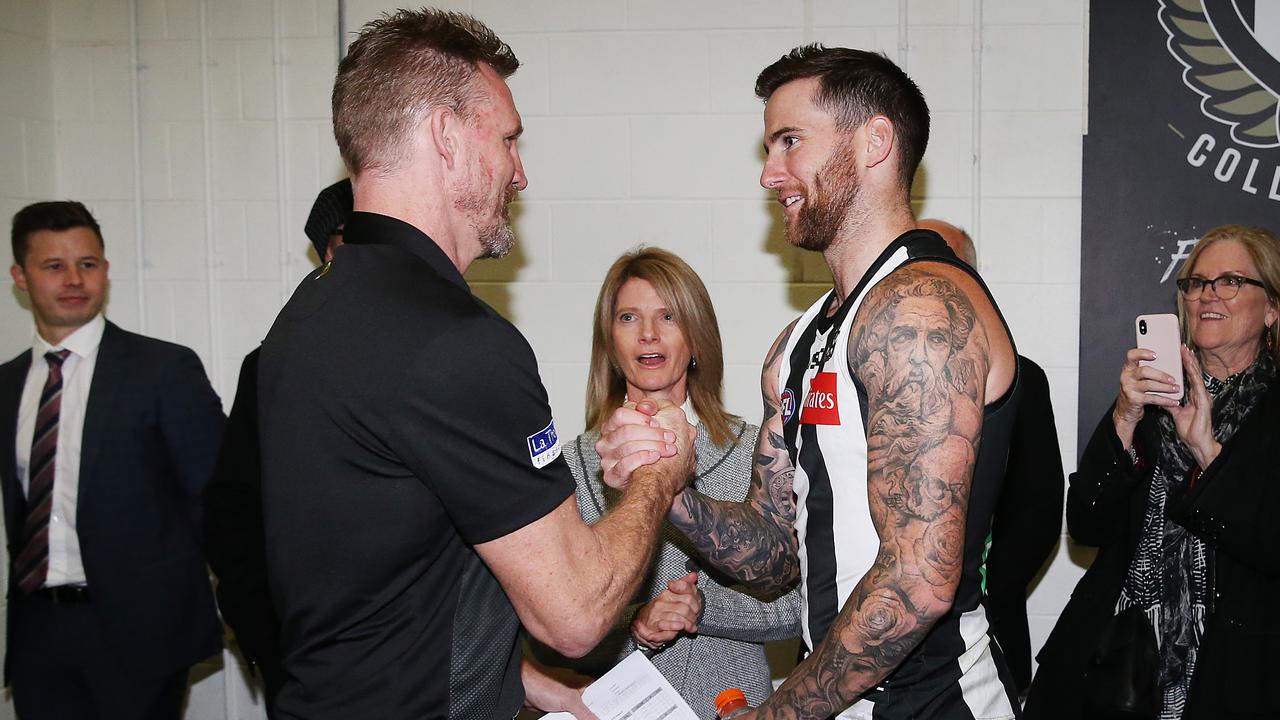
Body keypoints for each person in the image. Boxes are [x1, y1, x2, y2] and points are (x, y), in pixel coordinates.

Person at [256, 10, 694, 720]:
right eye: (509, 139)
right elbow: (576, 614)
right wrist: (658, 475)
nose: (519, 173)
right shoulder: (454, 339)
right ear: (445, 136)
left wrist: (557, 694)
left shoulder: (303, 317)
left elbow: (398, 596)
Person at [599, 46, 1023, 719]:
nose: (771, 174)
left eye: (790, 142)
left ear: (874, 142)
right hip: (832, 696)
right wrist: (668, 488)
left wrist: (776, 715)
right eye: (770, 148)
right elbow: (775, 553)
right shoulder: (798, 344)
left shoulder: (919, 310)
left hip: (931, 703)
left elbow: (919, 579)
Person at [532, 247, 801, 718]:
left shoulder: (752, 453)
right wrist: (635, 622)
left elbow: (798, 607)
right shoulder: (573, 467)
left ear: (696, 339)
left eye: (668, 316)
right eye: (629, 317)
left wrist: (704, 608)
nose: (649, 333)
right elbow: (550, 630)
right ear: (610, 343)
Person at [1025, 224, 1280, 720]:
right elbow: (1087, 522)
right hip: (1116, 669)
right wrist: (1124, 415)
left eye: (1230, 281)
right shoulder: (1153, 396)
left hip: (1234, 674)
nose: (1208, 295)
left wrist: (1208, 451)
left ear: (1271, 307)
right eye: (1196, 283)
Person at [0, 200, 224, 719]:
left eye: (88, 263)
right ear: (20, 276)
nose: (74, 279)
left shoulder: (163, 370)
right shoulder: (9, 385)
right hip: (38, 635)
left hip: (138, 634)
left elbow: (215, 497)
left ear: (105, 268)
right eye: (54, 266)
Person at [203, 178, 353, 717]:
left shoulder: (446, 354)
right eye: (352, 235)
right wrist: (267, 634)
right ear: (327, 252)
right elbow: (232, 509)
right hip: (304, 657)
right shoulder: (271, 367)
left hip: (425, 661)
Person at [919, 218, 1064, 695]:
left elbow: (1039, 515)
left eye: (945, 268)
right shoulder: (856, 375)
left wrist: (975, 594)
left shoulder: (1022, 381)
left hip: (980, 638)